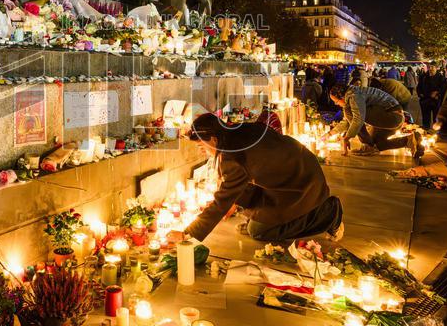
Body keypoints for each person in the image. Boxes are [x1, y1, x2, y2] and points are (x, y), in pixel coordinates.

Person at [175, 113, 345, 243]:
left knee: (258, 231)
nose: (200, 151)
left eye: (200, 146)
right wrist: (235, 203)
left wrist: (188, 233)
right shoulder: (238, 131)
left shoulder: (230, 157)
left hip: (301, 185)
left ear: (213, 139)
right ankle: (266, 219)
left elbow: (222, 202)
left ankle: (328, 214)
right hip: (296, 171)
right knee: (251, 217)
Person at [327, 83, 422, 157]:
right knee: (376, 145)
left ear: (342, 96)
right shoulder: (353, 95)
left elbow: (357, 119)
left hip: (392, 116)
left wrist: (347, 137)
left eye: (336, 101)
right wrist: (330, 133)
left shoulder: (354, 96)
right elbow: (347, 121)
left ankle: (366, 145)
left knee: (350, 112)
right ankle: (408, 140)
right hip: (390, 120)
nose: (336, 104)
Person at [417, 64, 445, 130]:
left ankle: (436, 131)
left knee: (436, 117)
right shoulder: (423, 76)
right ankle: (426, 130)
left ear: (436, 68)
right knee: (425, 117)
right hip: (425, 100)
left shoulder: (441, 77)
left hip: (436, 101)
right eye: (429, 67)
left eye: (432, 67)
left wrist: (437, 93)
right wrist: (420, 94)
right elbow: (419, 87)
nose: (431, 68)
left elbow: (443, 88)